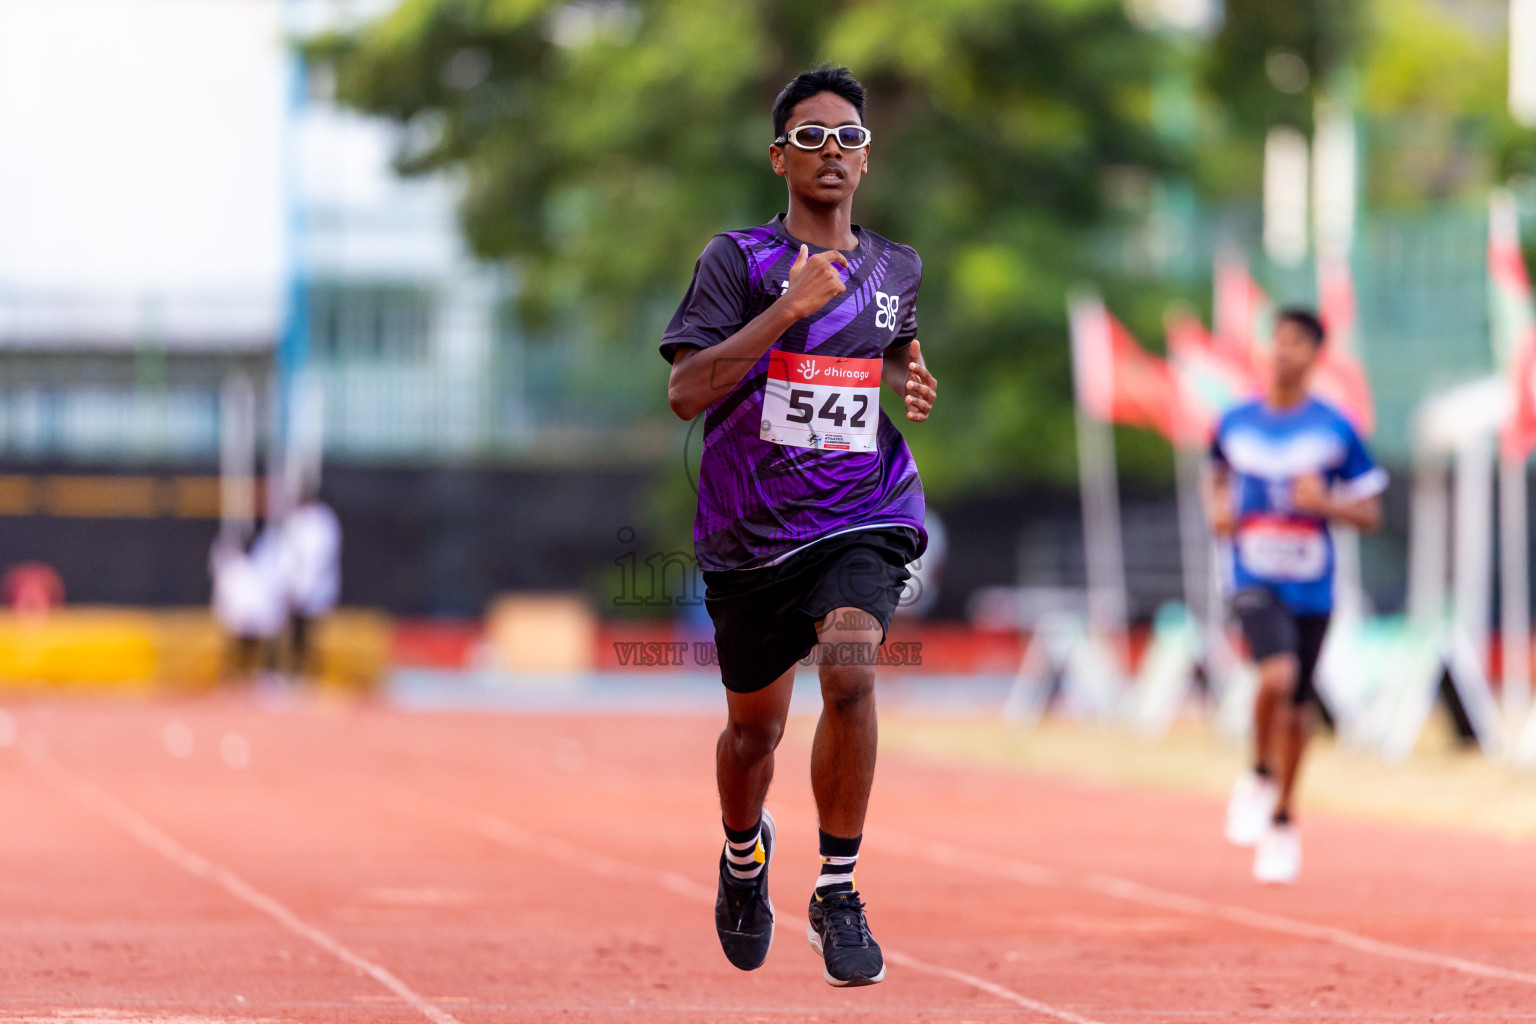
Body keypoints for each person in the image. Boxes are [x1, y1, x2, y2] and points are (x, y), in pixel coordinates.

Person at [659, 65, 936, 986]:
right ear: (779, 157)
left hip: (864, 508)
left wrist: (909, 371)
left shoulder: (898, 267)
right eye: (811, 137)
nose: (832, 153)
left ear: (867, 160)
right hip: (751, 530)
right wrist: (786, 312)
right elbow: (685, 393)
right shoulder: (736, 262)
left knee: (852, 668)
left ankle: (838, 888)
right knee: (753, 738)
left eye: (848, 138)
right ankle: (745, 857)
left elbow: (888, 332)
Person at [1206, 308, 1385, 884]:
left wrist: (1325, 505)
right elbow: (1217, 475)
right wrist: (1219, 510)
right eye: (1276, 340)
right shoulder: (1233, 421)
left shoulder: (1336, 427)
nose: (1283, 351)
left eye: (1296, 343)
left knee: (1300, 707)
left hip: (1314, 584)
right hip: (1253, 576)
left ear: (1315, 354)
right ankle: (1259, 772)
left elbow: (1372, 512)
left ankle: (1284, 819)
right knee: (1275, 678)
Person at [280, 489, 341, 680]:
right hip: (297, 587)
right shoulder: (297, 521)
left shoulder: (319, 522)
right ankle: (296, 673)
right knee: (295, 634)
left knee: (314, 634)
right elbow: (288, 557)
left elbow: (317, 558)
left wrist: (303, 589)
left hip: (314, 588)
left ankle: (313, 674)